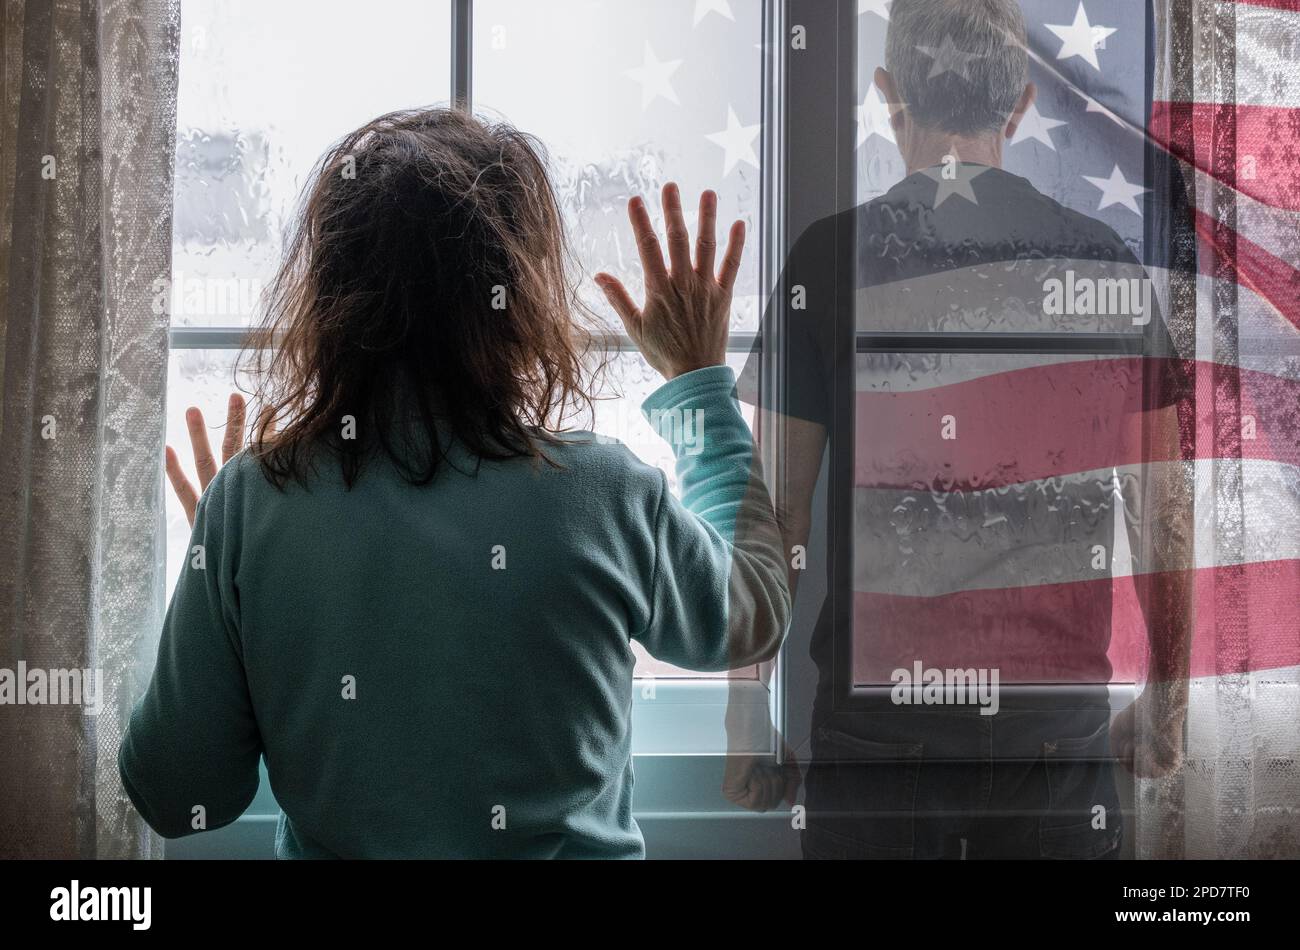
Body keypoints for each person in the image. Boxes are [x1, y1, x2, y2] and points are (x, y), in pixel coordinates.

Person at [120, 108, 790, 858]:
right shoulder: (604, 493)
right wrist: (698, 386)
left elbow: (180, 796)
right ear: (518, 303)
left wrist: (226, 569)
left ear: (327, 300)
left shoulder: (251, 505)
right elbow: (754, 610)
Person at [725, 0, 1194, 859]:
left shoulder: (827, 261)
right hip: (1055, 733)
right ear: (1018, 104)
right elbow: (1162, 512)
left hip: (880, 734)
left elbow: (774, 519)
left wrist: (743, 709)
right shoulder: (1103, 265)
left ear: (887, 94)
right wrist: (1169, 704)